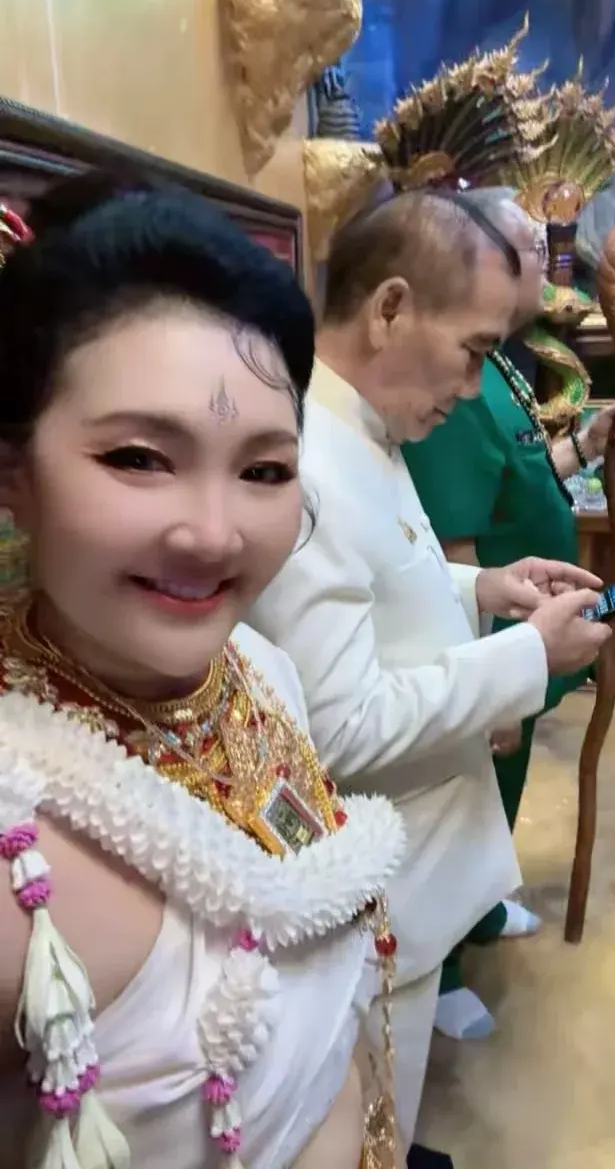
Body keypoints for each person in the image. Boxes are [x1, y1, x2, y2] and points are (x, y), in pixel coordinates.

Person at [0, 182, 406, 1169]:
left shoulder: (261, 669)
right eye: (141, 457)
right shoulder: (18, 841)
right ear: (12, 474)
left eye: (264, 470)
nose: (215, 534)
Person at [250, 190, 612, 1151]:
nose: (477, 380)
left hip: (411, 883)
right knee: (371, 1126)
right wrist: (526, 658)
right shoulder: (308, 463)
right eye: (473, 349)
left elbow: (387, 579)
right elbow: (337, 725)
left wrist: (481, 586)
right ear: (391, 309)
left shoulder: (363, 428)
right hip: (375, 896)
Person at [403, 186, 615, 964]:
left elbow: (528, 475)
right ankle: (439, 971)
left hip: (528, 623)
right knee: (464, 796)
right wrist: (489, 677)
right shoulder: (457, 386)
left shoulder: (504, 365)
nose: (550, 268)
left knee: (499, 789)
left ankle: (477, 912)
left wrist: (589, 442)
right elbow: (456, 547)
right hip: (493, 629)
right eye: (537, 252)